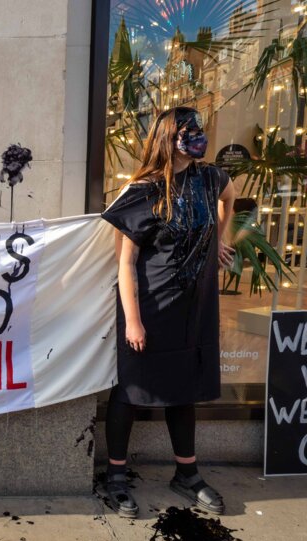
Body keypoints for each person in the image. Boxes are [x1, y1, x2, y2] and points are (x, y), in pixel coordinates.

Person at [100, 107, 235, 518]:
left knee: (184, 389)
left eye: (199, 129)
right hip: (150, 307)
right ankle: (116, 477)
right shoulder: (144, 189)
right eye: (188, 130)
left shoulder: (211, 178)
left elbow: (231, 199)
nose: (198, 136)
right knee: (130, 390)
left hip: (195, 308)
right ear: (168, 138)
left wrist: (220, 240)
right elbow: (126, 262)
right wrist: (134, 320)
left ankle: (187, 474)